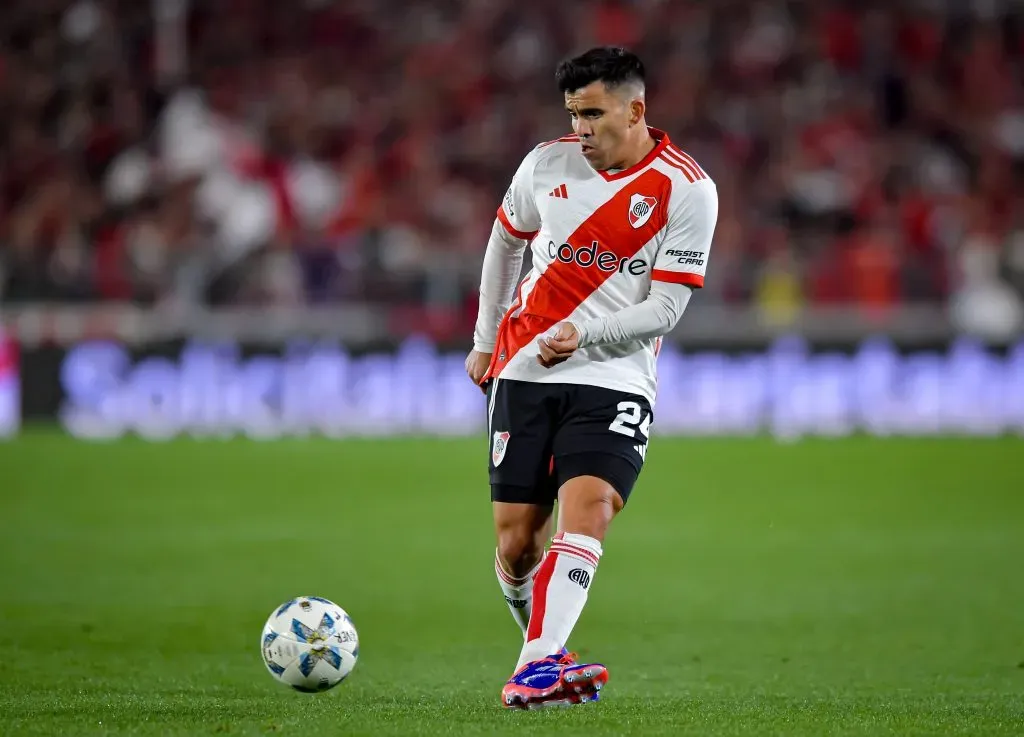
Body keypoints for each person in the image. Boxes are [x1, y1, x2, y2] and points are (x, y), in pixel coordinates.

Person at [465, 46, 718, 709]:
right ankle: (545, 650)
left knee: (592, 506)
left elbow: (666, 308)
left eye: (594, 115)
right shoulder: (545, 164)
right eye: (573, 115)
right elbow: (505, 241)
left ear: (635, 111)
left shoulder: (687, 188)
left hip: (616, 374)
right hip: (524, 367)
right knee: (517, 543)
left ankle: (535, 668)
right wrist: (486, 340)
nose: (580, 129)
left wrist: (587, 333)